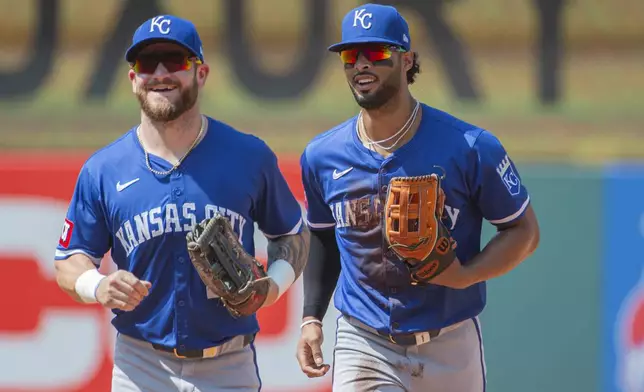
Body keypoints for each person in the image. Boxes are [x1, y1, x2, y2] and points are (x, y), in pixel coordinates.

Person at [53, 15, 309, 392]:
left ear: (201, 73)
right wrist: (98, 284)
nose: (159, 73)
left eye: (174, 60)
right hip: (140, 366)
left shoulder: (248, 156)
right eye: (146, 63)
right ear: (132, 79)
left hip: (229, 366)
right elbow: (69, 261)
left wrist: (273, 286)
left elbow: (292, 234)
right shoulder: (103, 170)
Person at [295, 3, 540, 391]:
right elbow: (323, 236)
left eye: (376, 53)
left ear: (407, 60)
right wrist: (311, 318)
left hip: (450, 341)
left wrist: (466, 275)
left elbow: (523, 231)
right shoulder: (322, 156)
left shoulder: (469, 147)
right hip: (365, 339)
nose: (361, 65)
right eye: (350, 55)